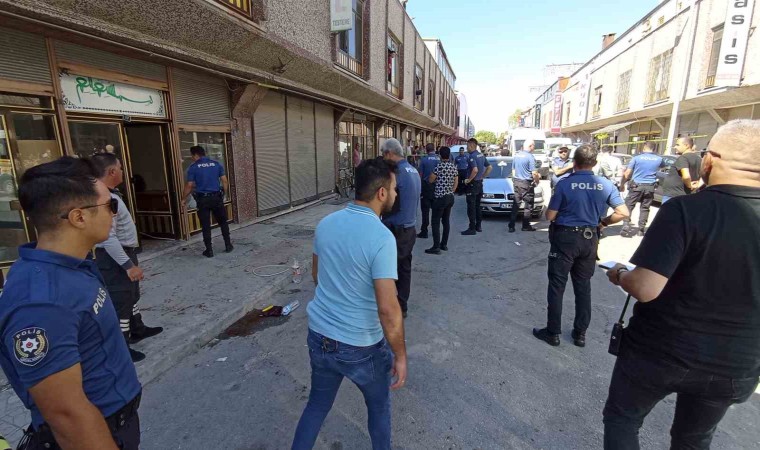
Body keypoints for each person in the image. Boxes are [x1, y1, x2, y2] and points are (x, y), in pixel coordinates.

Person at [603, 119, 760, 450]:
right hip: (736, 365)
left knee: (623, 420)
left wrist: (619, 274)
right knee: (694, 439)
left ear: (709, 160)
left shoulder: (687, 210)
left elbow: (645, 287)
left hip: (660, 354)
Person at [0, 157, 142, 449]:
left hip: (118, 419)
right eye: (110, 205)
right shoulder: (41, 303)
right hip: (98, 431)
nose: (114, 213)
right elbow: (67, 415)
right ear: (79, 217)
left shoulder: (72, 265)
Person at [292, 157, 407, 450]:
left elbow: (317, 276)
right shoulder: (382, 237)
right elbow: (388, 310)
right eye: (394, 188)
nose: (396, 194)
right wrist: (400, 355)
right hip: (361, 346)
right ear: (381, 192)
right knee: (378, 408)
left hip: (320, 337)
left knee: (317, 405)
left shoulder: (326, 223)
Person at [533, 145, 629, 347]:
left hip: (565, 239)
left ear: (574, 163)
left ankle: (553, 332)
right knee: (583, 286)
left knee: (557, 286)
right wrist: (603, 223)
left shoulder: (565, 184)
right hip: (589, 238)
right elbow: (623, 212)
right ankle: (580, 334)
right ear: (594, 163)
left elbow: (550, 215)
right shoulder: (605, 184)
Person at [91, 153, 163, 363]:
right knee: (121, 300)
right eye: (121, 168)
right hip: (114, 258)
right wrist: (128, 266)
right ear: (112, 171)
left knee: (131, 295)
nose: (123, 172)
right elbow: (108, 238)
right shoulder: (104, 199)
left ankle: (137, 328)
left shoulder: (111, 194)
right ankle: (121, 346)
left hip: (124, 252)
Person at [381, 138, 421, 318]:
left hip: (396, 228)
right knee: (404, 268)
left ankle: (390, 308)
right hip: (409, 227)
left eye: (383, 155)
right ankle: (402, 305)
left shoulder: (396, 173)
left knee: (388, 270)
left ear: (389, 153)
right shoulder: (413, 170)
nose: (383, 159)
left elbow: (389, 204)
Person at [182, 145, 233, 257]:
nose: (192, 158)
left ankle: (209, 250)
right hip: (216, 197)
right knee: (223, 222)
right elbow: (224, 181)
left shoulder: (193, 167)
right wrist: (224, 194)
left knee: (206, 226)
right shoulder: (216, 164)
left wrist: (183, 199)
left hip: (203, 199)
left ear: (195, 155)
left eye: (192, 156)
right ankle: (228, 245)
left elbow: (189, 185)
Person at [619, 142, 662, 238]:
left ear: (644, 147)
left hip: (636, 186)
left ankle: (626, 224)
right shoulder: (659, 159)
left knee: (629, 206)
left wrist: (622, 184)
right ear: (654, 149)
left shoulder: (637, 158)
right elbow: (662, 167)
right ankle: (641, 229)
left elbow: (627, 173)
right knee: (645, 208)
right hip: (650, 187)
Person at [425, 146, 459, 255]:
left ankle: (436, 247)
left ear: (440, 155)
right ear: (449, 155)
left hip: (440, 198)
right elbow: (456, 181)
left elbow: (431, 179)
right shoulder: (453, 167)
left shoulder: (439, 166)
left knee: (435, 222)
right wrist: (452, 190)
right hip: (450, 197)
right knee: (446, 221)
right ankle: (444, 244)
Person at [461, 138, 492, 235]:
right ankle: (479, 226)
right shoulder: (481, 155)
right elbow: (489, 167)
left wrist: (469, 180)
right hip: (479, 183)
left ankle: (472, 228)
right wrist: (483, 176)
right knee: (478, 206)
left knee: (471, 207)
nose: (467, 148)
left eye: (467, 146)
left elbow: (475, 170)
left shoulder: (472, 156)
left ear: (471, 145)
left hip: (473, 184)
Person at [509, 139, 540, 233]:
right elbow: (534, 173)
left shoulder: (517, 155)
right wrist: (537, 181)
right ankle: (526, 226)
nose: (534, 147)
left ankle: (511, 226)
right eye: (533, 146)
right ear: (530, 146)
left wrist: (514, 180)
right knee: (528, 205)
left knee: (516, 205)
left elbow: (513, 170)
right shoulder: (530, 157)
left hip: (517, 182)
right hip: (526, 183)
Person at [660, 136, 703, 203]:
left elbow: (686, 176)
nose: (675, 147)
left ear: (686, 146)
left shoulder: (683, 158)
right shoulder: (699, 159)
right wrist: (697, 186)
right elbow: (704, 176)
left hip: (674, 196)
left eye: (678, 145)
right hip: (686, 195)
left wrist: (690, 186)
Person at [417, 143, 440, 239]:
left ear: (426, 150)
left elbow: (420, 174)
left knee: (425, 211)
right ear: (434, 149)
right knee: (436, 210)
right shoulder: (439, 159)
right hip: (437, 187)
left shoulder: (424, 160)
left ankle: (424, 231)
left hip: (426, 187)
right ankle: (435, 230)